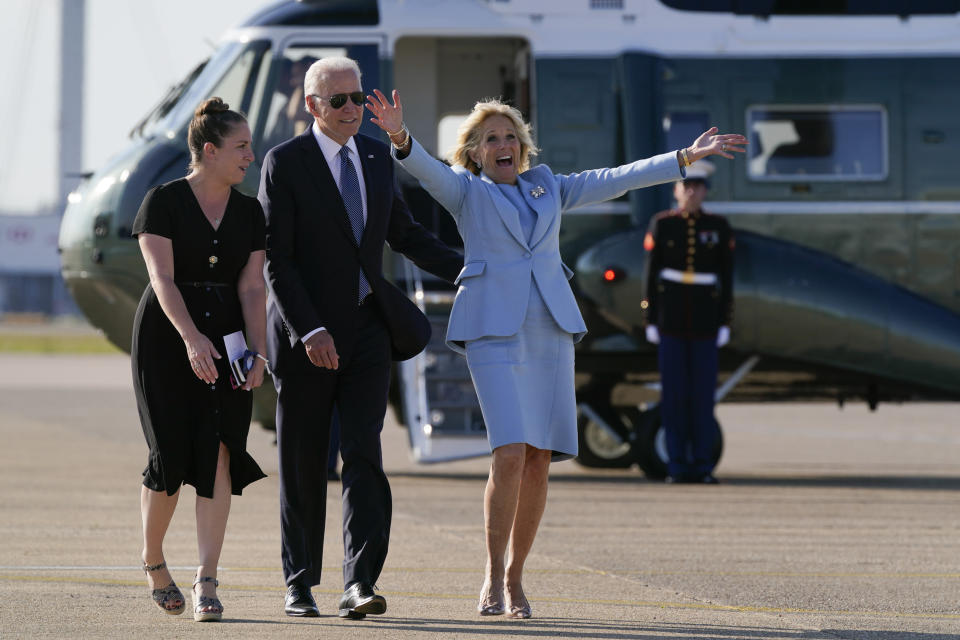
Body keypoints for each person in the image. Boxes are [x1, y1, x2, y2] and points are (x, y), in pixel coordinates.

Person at [365, 90, 746, 619]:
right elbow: (427, 171)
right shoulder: (466, 191)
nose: (505, 145)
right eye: (492, 138)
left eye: (511, 137)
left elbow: (615, 178)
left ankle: (518, 578)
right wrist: (400, 136)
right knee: (510, 451)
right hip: (493, 331)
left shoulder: (547, 185)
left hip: (549, 326)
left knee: (540, 459)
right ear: (475, 152)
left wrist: (682, 158)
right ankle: (493, 575)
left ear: (523, 147)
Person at [258, 57, 462, 620]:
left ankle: (360, 583)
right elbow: (277, 260)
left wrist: (470, 270)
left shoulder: (375, 156)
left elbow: (404, 234)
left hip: (369, 328)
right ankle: (299, 582)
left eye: (357, 98)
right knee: (302, 463)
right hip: (308, 337)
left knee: (365, 456)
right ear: (312, 106)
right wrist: (310, 329)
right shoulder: (285, 162)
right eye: (339, 100)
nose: (352, 109)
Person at [131, 97, 268, 622]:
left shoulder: (251, 211)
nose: (250, 156)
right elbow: (161, 280)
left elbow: (253, 286)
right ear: (208, 151)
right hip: (169, 336)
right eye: (241, 147)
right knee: (169, 452)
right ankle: (152, 560)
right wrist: (191, 338)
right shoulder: (162, 202)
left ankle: (207, 576)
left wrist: (256, 350)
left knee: (220, 451)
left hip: (228, 330)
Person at [641, 160, 734, 484]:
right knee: (674, 397)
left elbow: (726, 278)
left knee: (702, 398)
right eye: (686, 186)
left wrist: (725, 320)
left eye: (698, 187)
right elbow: (651, 275)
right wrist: (650, 316)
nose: (692, 192)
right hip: (671, 320)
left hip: (706, 321)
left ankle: (703, 467)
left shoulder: (718, 226)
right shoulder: (662, 224)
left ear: (704, 192)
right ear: (676, 190)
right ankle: (678, 465)